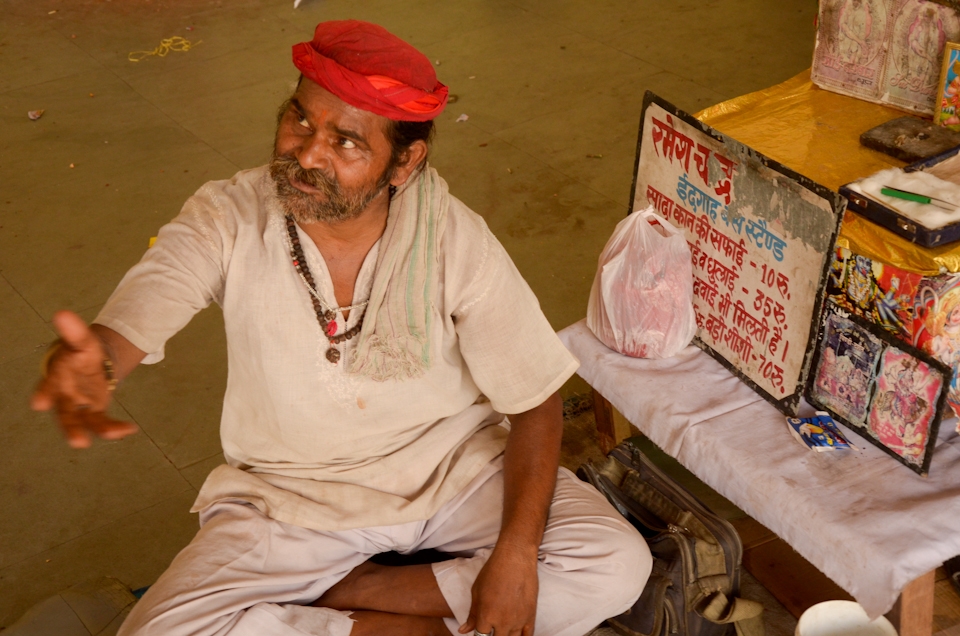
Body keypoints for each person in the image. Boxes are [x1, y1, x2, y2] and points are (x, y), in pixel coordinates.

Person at [31, 20, 651, 636]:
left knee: (615, 565)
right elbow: (151, 298)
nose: (307, 154)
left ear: (404, 162)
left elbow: (536, 401)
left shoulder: (454, 239)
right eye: (299, 119)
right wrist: (98, 359)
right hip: (289, 500)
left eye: (346, 141)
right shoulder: (229, 217)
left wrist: (515, 555)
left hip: (455, 473)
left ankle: (345, 593)